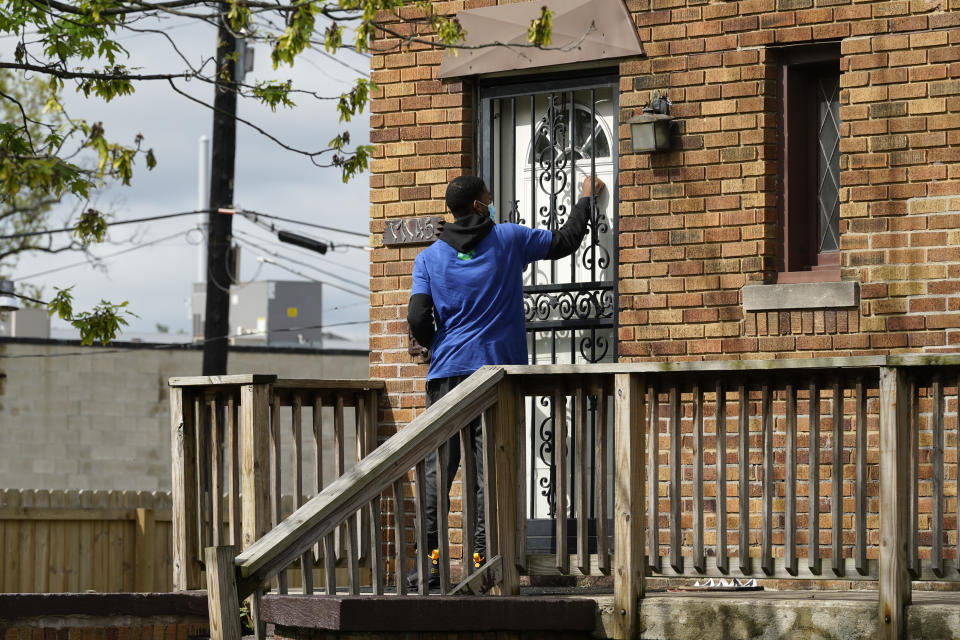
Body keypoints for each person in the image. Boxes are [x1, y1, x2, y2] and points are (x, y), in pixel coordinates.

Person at [405, 173, 606, 589]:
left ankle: (429, 565)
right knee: (485, 472)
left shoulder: (428, 259)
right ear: (479, 205)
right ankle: (480, 560)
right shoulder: (509, 239)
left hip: (446, 376)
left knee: (436, 470)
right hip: (494, 376)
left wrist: (433, 344)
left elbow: (417, 319)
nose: (492, 206)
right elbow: (566, 241)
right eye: (489, 200)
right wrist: (586, 199)